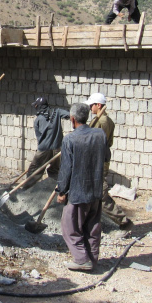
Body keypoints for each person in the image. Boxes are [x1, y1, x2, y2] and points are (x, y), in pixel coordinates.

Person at [57, 103, 110, 272]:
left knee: (69, 226)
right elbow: (107, 155)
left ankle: (81, 259)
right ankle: (92, 260)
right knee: (92, 227)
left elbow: (66, 169)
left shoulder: (70, 139)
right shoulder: (99, 134)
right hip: (95, 189)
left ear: (72, 119)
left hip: (77, 192)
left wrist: (62, 191)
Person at [86, 92, 134, 233]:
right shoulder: (99, 120)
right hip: (96, 160)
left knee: (101, 194)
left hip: (98, 161)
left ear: (98, 105)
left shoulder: (103, 122)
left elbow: (97, 143)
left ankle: (124, 222)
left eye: (91, 105)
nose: (90, 108)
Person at [21, 97, 70, 190]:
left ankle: (26, 190)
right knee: (55, 170)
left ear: (39, 106)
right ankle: (52, 189)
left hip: (43, 149)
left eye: (36, 105)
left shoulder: (38, 120)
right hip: (57, 149)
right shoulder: (57, 112)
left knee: (34, 170)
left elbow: (39, 138)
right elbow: (70, 115)